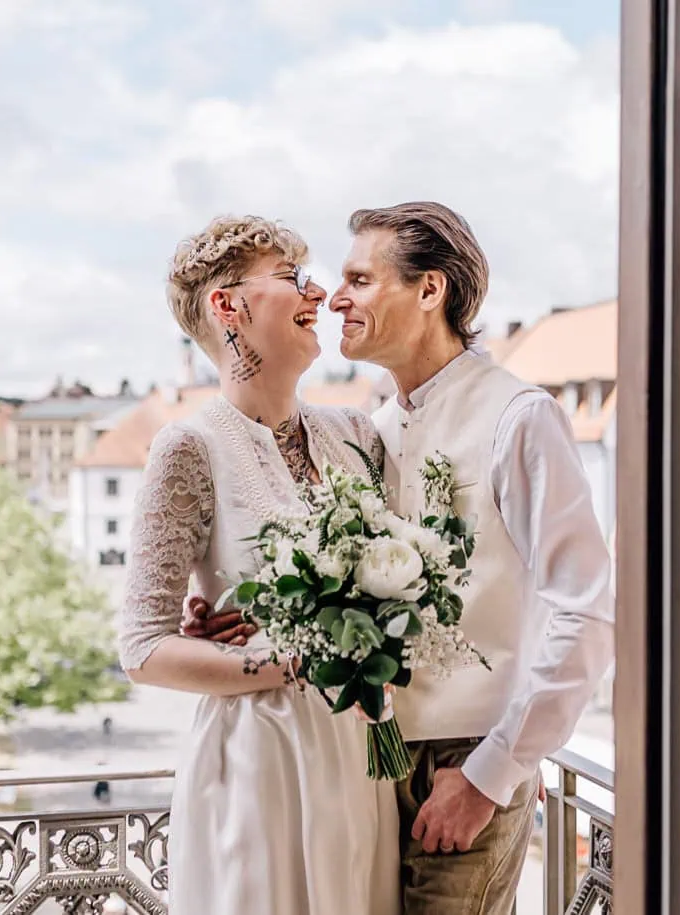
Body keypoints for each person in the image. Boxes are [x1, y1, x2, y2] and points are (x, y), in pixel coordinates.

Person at [186, 201, 615, 914]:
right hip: (368, 767)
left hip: (468, 760)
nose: (334, 297)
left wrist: (491, 773)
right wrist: (233, 611)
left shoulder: (521, 416)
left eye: (358, 278)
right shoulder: (369, 432)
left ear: (429, 289)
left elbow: (587, 615)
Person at [117, 215, 398, 915]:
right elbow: (144, 647)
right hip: (258, 772)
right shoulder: (189, 447)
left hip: (363, 766)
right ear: (228, 306)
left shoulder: (356, 434)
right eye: (290, 278)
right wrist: (296, 662)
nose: (318, 292)